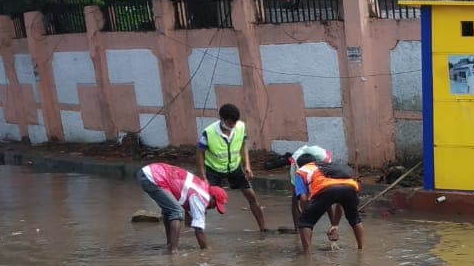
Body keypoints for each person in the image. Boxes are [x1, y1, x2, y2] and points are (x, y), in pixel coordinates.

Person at [197, 103, 269, 232]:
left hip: (235, 167)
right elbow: (200, 153)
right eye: (230, 123)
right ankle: (198, 230)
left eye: (234, 123)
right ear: (222, 119)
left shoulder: (240, 127)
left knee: (251, 196)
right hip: (214, 170)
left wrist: (247, 165)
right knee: (205, 200)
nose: (232, 126)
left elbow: (243, 146)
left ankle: (263, 227)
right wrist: (203, 176)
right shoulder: (209, 132)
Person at [138, 162, 228, 254]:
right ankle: (174, 251)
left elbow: (180, 191)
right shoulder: (202, 196)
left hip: (148, 172)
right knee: (177, 212)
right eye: (215, 205)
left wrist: (187, 214)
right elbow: (198, 229)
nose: (213, 208)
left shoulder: (201, 186)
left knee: (169, 211)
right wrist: (206, 250)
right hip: (153, 177)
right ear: (212, 197)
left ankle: (170, 244)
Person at [295, 156, 364, 254]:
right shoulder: (328, 167)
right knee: (355, 218)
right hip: (351, 187)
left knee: (304, 222)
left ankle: (307, 255)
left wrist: (306, 214)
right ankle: (361, 249)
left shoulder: (301, 171)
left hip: (327, 189)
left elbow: (303, 198)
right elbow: (340, 204)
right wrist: (335, 225)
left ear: (299, 165)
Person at [286, 144, 340, 238]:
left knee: (326, 197)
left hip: (320, 161)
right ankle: (298, 228)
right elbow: (302, 197)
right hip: (297, 160)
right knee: (295, 196)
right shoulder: (297, 167)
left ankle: (333, 227)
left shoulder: (325, 161)